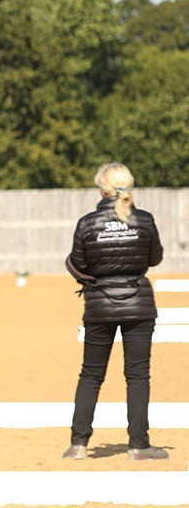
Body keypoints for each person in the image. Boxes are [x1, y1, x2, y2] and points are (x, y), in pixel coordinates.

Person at [63, 163, 167, 461]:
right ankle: (139, 445)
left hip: (99, 305)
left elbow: (78, 264)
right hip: (138, 303)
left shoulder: (87, 222)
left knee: (91, 375)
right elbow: (155, 258)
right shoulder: (144, 220)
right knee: (137, 376)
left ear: (102, 188)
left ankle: (78, 444)